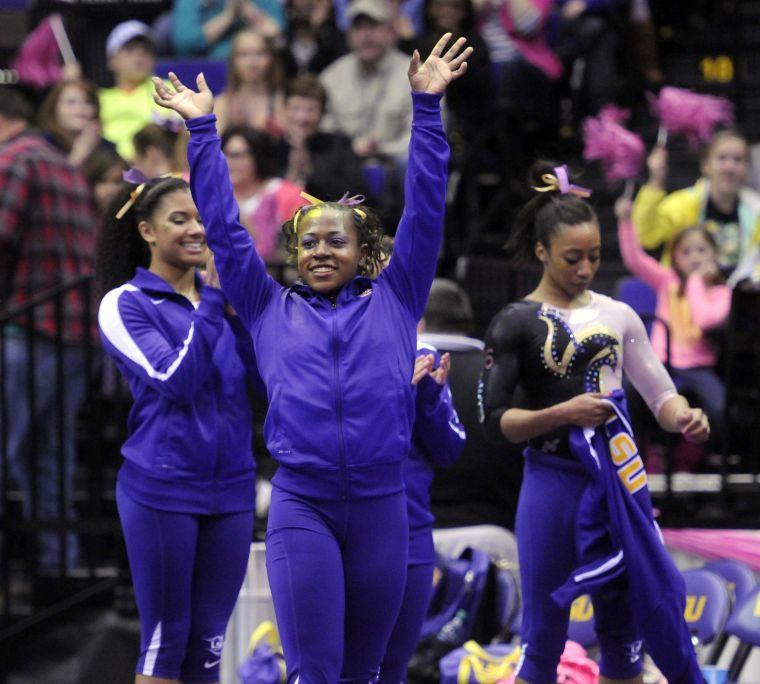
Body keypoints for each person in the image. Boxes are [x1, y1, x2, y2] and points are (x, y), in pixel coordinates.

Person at [151, 31, 471, 682]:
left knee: (366, 675)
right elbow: (224, 228)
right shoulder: (266, 306)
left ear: (363, 254)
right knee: (315, 673)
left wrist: (428, 111)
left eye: (337, 241)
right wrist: (203, 131)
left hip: (384, 508)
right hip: (305, 510)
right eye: (309, 242)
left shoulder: (398, 296)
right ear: (293, 255)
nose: (322, 250)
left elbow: (427, 210)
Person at [479, 162, 709, 684]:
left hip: (616, 486)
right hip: (551, 485)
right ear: (541, 252)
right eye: (572, 259)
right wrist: (564, 413)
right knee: (542, 639)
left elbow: (660, 394)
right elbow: (494, 423)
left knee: (624, 636)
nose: (585, 269)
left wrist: (685, 418)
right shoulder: (515, 320)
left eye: (595, 257)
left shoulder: (618, 314)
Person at [96, 175, 259, 683]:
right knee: (167, 640)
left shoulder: (219, 306)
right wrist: (212, 305)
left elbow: (263, 386)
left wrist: (237, 313)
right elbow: (178, 381)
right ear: (146, 230)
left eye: (201, 219)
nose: (196, 229)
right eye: (179, 219)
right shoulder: (126, 303)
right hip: (163, 488)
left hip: (231, 489)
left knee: (209, 644)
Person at [0, 87, 98, 572]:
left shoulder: (15, 160)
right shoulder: (63, 165)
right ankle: (59, 564)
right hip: (76, 331)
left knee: (13, 449)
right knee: (51, 454)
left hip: (31, 326)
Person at [616, 197, 731, 454]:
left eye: (702, 250)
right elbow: (635, 259)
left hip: (697, 366)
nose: (694, 257)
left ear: (714, 254)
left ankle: (707, 460)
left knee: (720, 406)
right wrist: (625, 220)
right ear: (675, 258)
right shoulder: (667, 282)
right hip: (660, 363)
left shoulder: (722, 291)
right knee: (626, 393)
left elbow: (705, 319)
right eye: (686, 252)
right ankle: (634, 455)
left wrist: (696, 282)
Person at [422, 279, 522, 542]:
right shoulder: (510, 381)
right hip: (496, 541)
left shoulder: (382, 371)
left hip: (402, 543)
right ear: (466, 322)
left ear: (417, 319)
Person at [633, 131, 760, 279]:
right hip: (684, 297)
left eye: (738, 160)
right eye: (722, 158)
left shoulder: (756, 210)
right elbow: (645, 236)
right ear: (706, 165)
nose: (729, 167)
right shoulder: (682, 204)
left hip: (738, 298)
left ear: (747, 168)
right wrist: (655, 181)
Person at [319, 0, 413, 164]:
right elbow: (323, 129)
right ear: (349, 35)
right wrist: (350, 148)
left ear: (391, 32)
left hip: (396, 167)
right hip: (345, 164)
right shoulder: (332, 76)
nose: (366, 34)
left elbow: (423, 137)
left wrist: (382, 150)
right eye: (359, 27)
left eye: (374, 26)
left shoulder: (415, 75)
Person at [275, 74, 369, 202]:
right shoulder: (271, 147)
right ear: (284, 110)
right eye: (296, 109)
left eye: (311, 110)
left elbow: (356, 195)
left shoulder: (338, 145)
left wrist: (311, 172)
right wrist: (291, 174)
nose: (303, 118)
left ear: (323, 113)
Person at [222, 124, 305, 263]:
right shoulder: (213, 193)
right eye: (224, 154)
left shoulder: (286, 193)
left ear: (257, 156)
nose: (228, 162)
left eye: (236, 156)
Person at [99, 20, 178, 161]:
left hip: (158, 170)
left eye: (146, 50)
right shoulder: (98, 98)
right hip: (111, 171)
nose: (140, 55)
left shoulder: (165, 88)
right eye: (130, 49)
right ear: (111, 60)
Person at [214, 28, 287, 134]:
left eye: (260, 53)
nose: (252, 63)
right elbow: (211, 148)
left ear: (271, 58)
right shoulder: (222, 104)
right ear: (233, 61)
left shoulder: (283, 102)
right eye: (243, 54)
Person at [37, 77, 112, 169]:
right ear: (54, 109)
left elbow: (126, 178)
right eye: (71, 102)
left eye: (88, 102)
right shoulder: (42, 145)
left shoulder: (106, 146)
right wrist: (78, 156)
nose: (80, 108)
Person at [172, 0, 285, 60]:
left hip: (259, 65)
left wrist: (246, 7)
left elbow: (276, 33)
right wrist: (228, 16)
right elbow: (185, 43)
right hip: (209, 67)